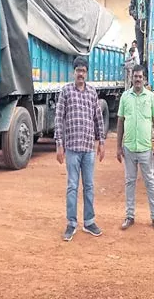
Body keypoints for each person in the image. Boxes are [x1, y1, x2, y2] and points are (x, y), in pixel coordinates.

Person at [54, 56, 106, 242]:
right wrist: (59, 144)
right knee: (72, 186)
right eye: (78, 71)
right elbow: (59, 118)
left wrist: (102, 142)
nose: (81, 74)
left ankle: (89, 221)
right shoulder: (66, 91)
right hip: (72, 148)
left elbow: (98, 119)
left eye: (83, 71)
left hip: (88, 148)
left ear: (87, 73)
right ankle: (71, 223)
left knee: (89, 186)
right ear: (73, 72)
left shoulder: (92, 93)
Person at [116, 65, 154, 231]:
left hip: (145, 148)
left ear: (144, 79)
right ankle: (130, 216)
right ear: (132, 78)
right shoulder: (125, 97)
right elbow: (120, 121)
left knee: (150, 182)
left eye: (140, 77)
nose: (137, 79)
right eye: (135, 76)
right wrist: (118, 147)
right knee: (129, 182)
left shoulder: (150, 97)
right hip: (129, 148)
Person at [129, 0, 150, 65]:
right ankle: (142, 69)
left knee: (149, 48)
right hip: (140, 25)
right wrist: (137, 16)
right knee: (141, 49)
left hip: (150, 25)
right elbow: (131, 9)